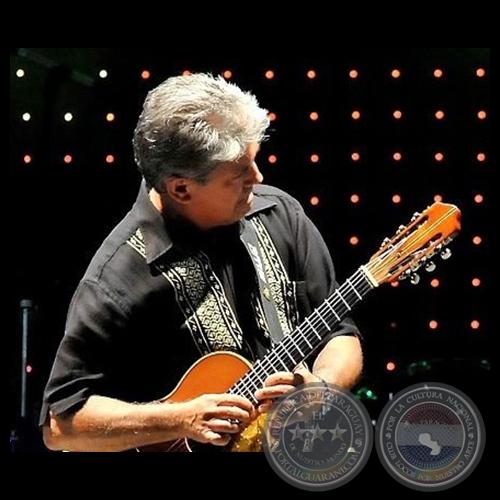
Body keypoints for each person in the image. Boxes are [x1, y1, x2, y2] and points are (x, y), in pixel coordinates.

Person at [40, 73, 363, 452]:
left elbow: (340, 334)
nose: (257, 178)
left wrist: (321, 387)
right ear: (181, 188)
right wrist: (180, 419)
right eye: (239, 174)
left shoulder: (281, 214)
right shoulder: (116, 279)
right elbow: (60, 426)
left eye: (254, 162)